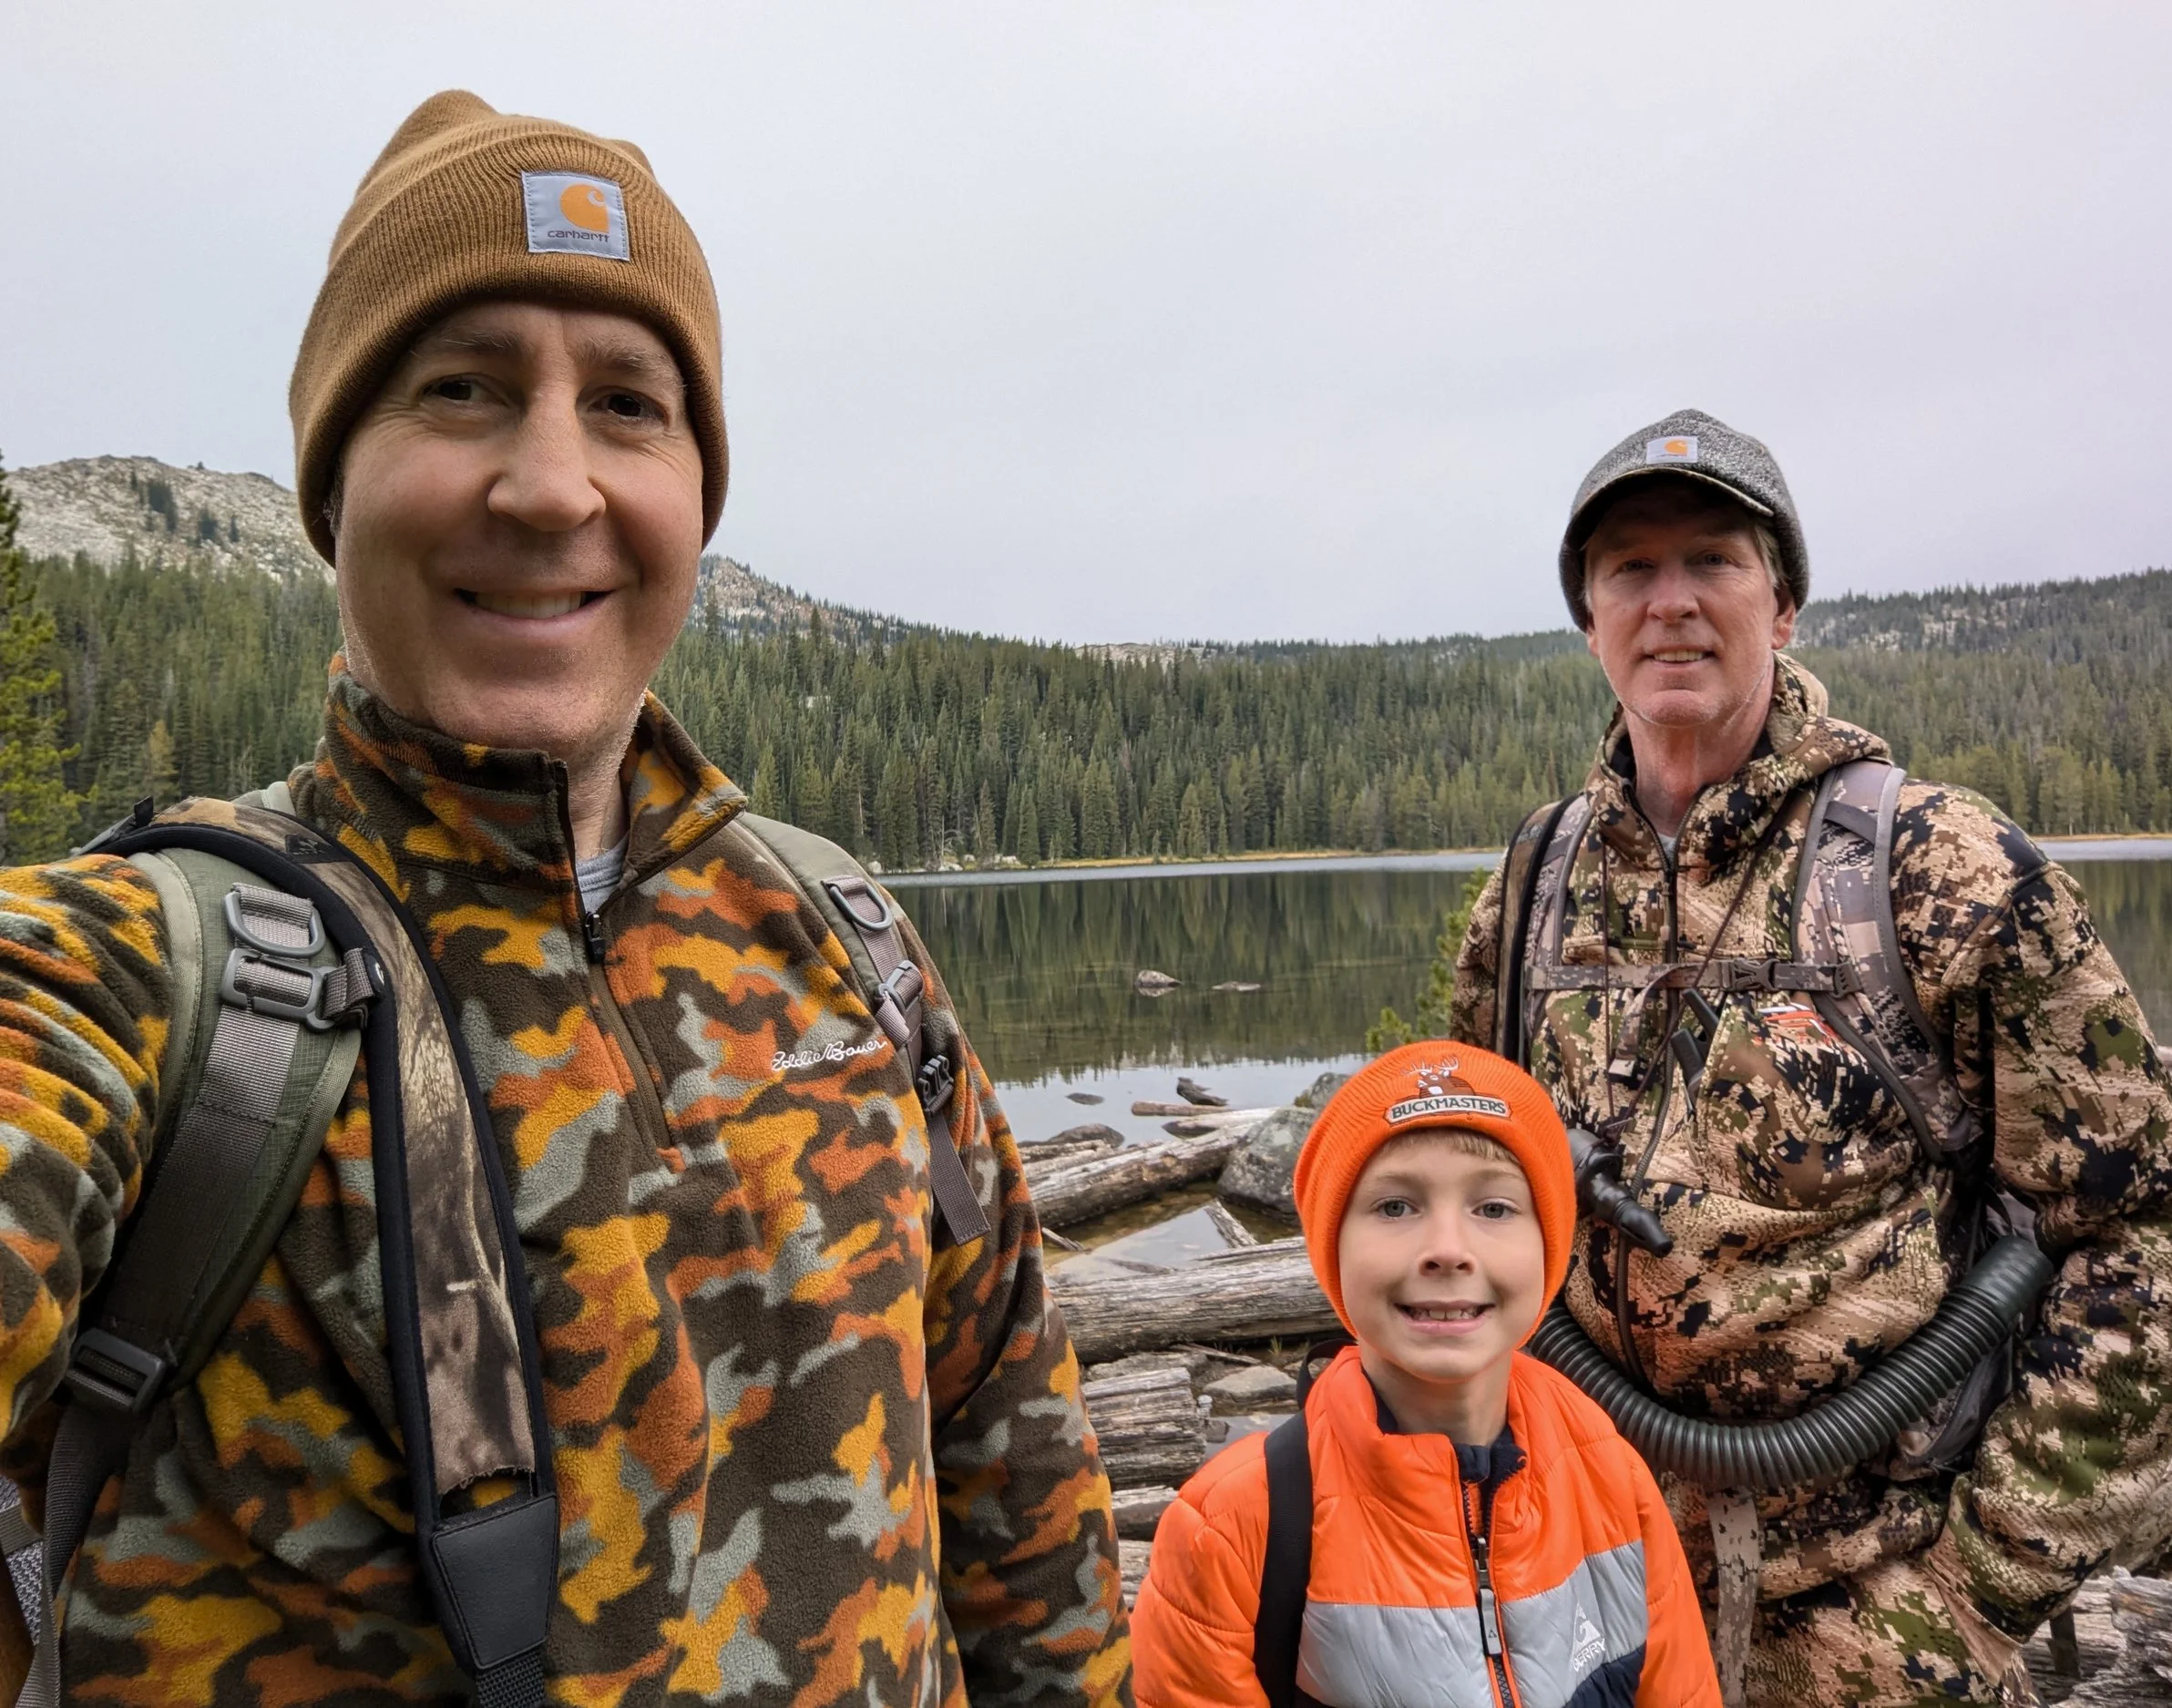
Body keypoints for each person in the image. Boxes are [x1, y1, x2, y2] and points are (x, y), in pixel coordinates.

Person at [0, 92, 1130, 1704]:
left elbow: (1028, 1512)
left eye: (626, 404)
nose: (548, 484)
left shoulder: (849, 946)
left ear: (696, 492)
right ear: (333, 485)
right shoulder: (152, 979)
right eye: (460, 390)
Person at [1448, 409, 2172, 1706]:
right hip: (1588, 1593)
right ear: (1588, 620)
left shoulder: (1937, 867)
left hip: (1875, 1616)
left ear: (1789, 600)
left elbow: (2152, 1233)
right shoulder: (1536, 884)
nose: (1673, 603)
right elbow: (1463, 1193)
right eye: (1630, 570)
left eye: (1714, 558)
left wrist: (1978, 1594)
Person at [1132, 1041, 1718, 1708]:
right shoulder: (1233, 1527)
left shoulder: (1613, 1477)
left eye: (1494, 1208)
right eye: (1395, 1207)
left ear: (1548, 1245)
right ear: (1332, 1248)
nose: (1447, 1248)